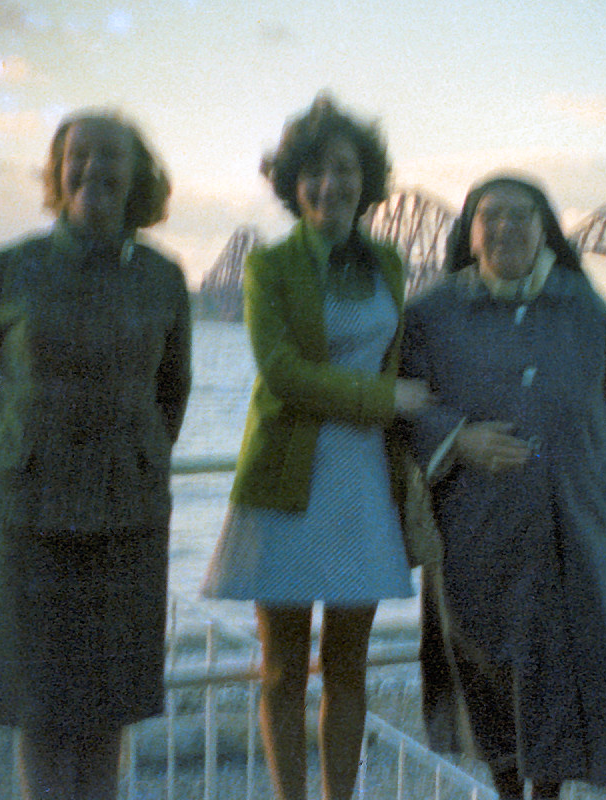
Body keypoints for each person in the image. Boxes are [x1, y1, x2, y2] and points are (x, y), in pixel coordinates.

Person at [0, 110, 192, 800]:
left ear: (137, 176)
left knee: (108, 714)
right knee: (40, 714)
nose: (94, 168)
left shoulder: (164, 278)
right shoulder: (13, 266)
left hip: (127, 524)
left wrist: (139, 461)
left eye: (112, 156)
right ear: (56, 171)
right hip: (25, 524)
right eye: (79, 155)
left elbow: (174, 390)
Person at [200, 94, 430, 800]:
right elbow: (284, 374)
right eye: (314, 172)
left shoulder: (389, 263)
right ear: (292, 184)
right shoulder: (269, 266)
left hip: (364, 482)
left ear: (367, 180)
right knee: (282, 667)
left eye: (345, 169)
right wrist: (384, 400)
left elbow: (408, 357)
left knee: (349, 667)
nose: (330, 185)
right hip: (285, 482)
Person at [400, 174, 606, 799]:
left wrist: (602, 516)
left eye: (523, 215)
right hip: (475, 535)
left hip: (574, 543)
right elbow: (403, 406)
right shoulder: (430, 314)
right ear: (469, 232)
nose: (506, 228)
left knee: (564, 678)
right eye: (491, 215)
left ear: (546, 230)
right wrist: (456, 437)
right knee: (486, 675)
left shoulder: (588, 309)